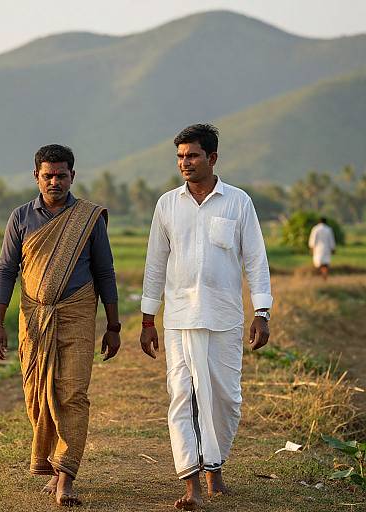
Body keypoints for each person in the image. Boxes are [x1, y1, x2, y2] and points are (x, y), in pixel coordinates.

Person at [139, 124, 272, 510]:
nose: (185, 162)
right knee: (184, 396)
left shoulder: (238, 202)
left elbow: (255, 259)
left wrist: (261, 311)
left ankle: (215, 471)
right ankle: (191, 484)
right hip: (180, 318)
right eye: (180, 156)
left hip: (225, 318)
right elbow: (154, 264)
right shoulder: (167, 204)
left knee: (225, 399)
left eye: (192, 155)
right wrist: (148, 319)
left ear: (212, 158)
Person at [0, 144, 121, 507]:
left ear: (72, 176)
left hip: (78, 315)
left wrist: (113, 325)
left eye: (61, 175)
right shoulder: (20, 218)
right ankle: (51, 463)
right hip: (33, 318)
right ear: (36, 176)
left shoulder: (88, 218)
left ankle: (66, 475)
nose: (54, 181)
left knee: (72, 393)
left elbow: (105, 272)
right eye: (47, 175)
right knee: (38, 395)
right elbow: (6, 271)